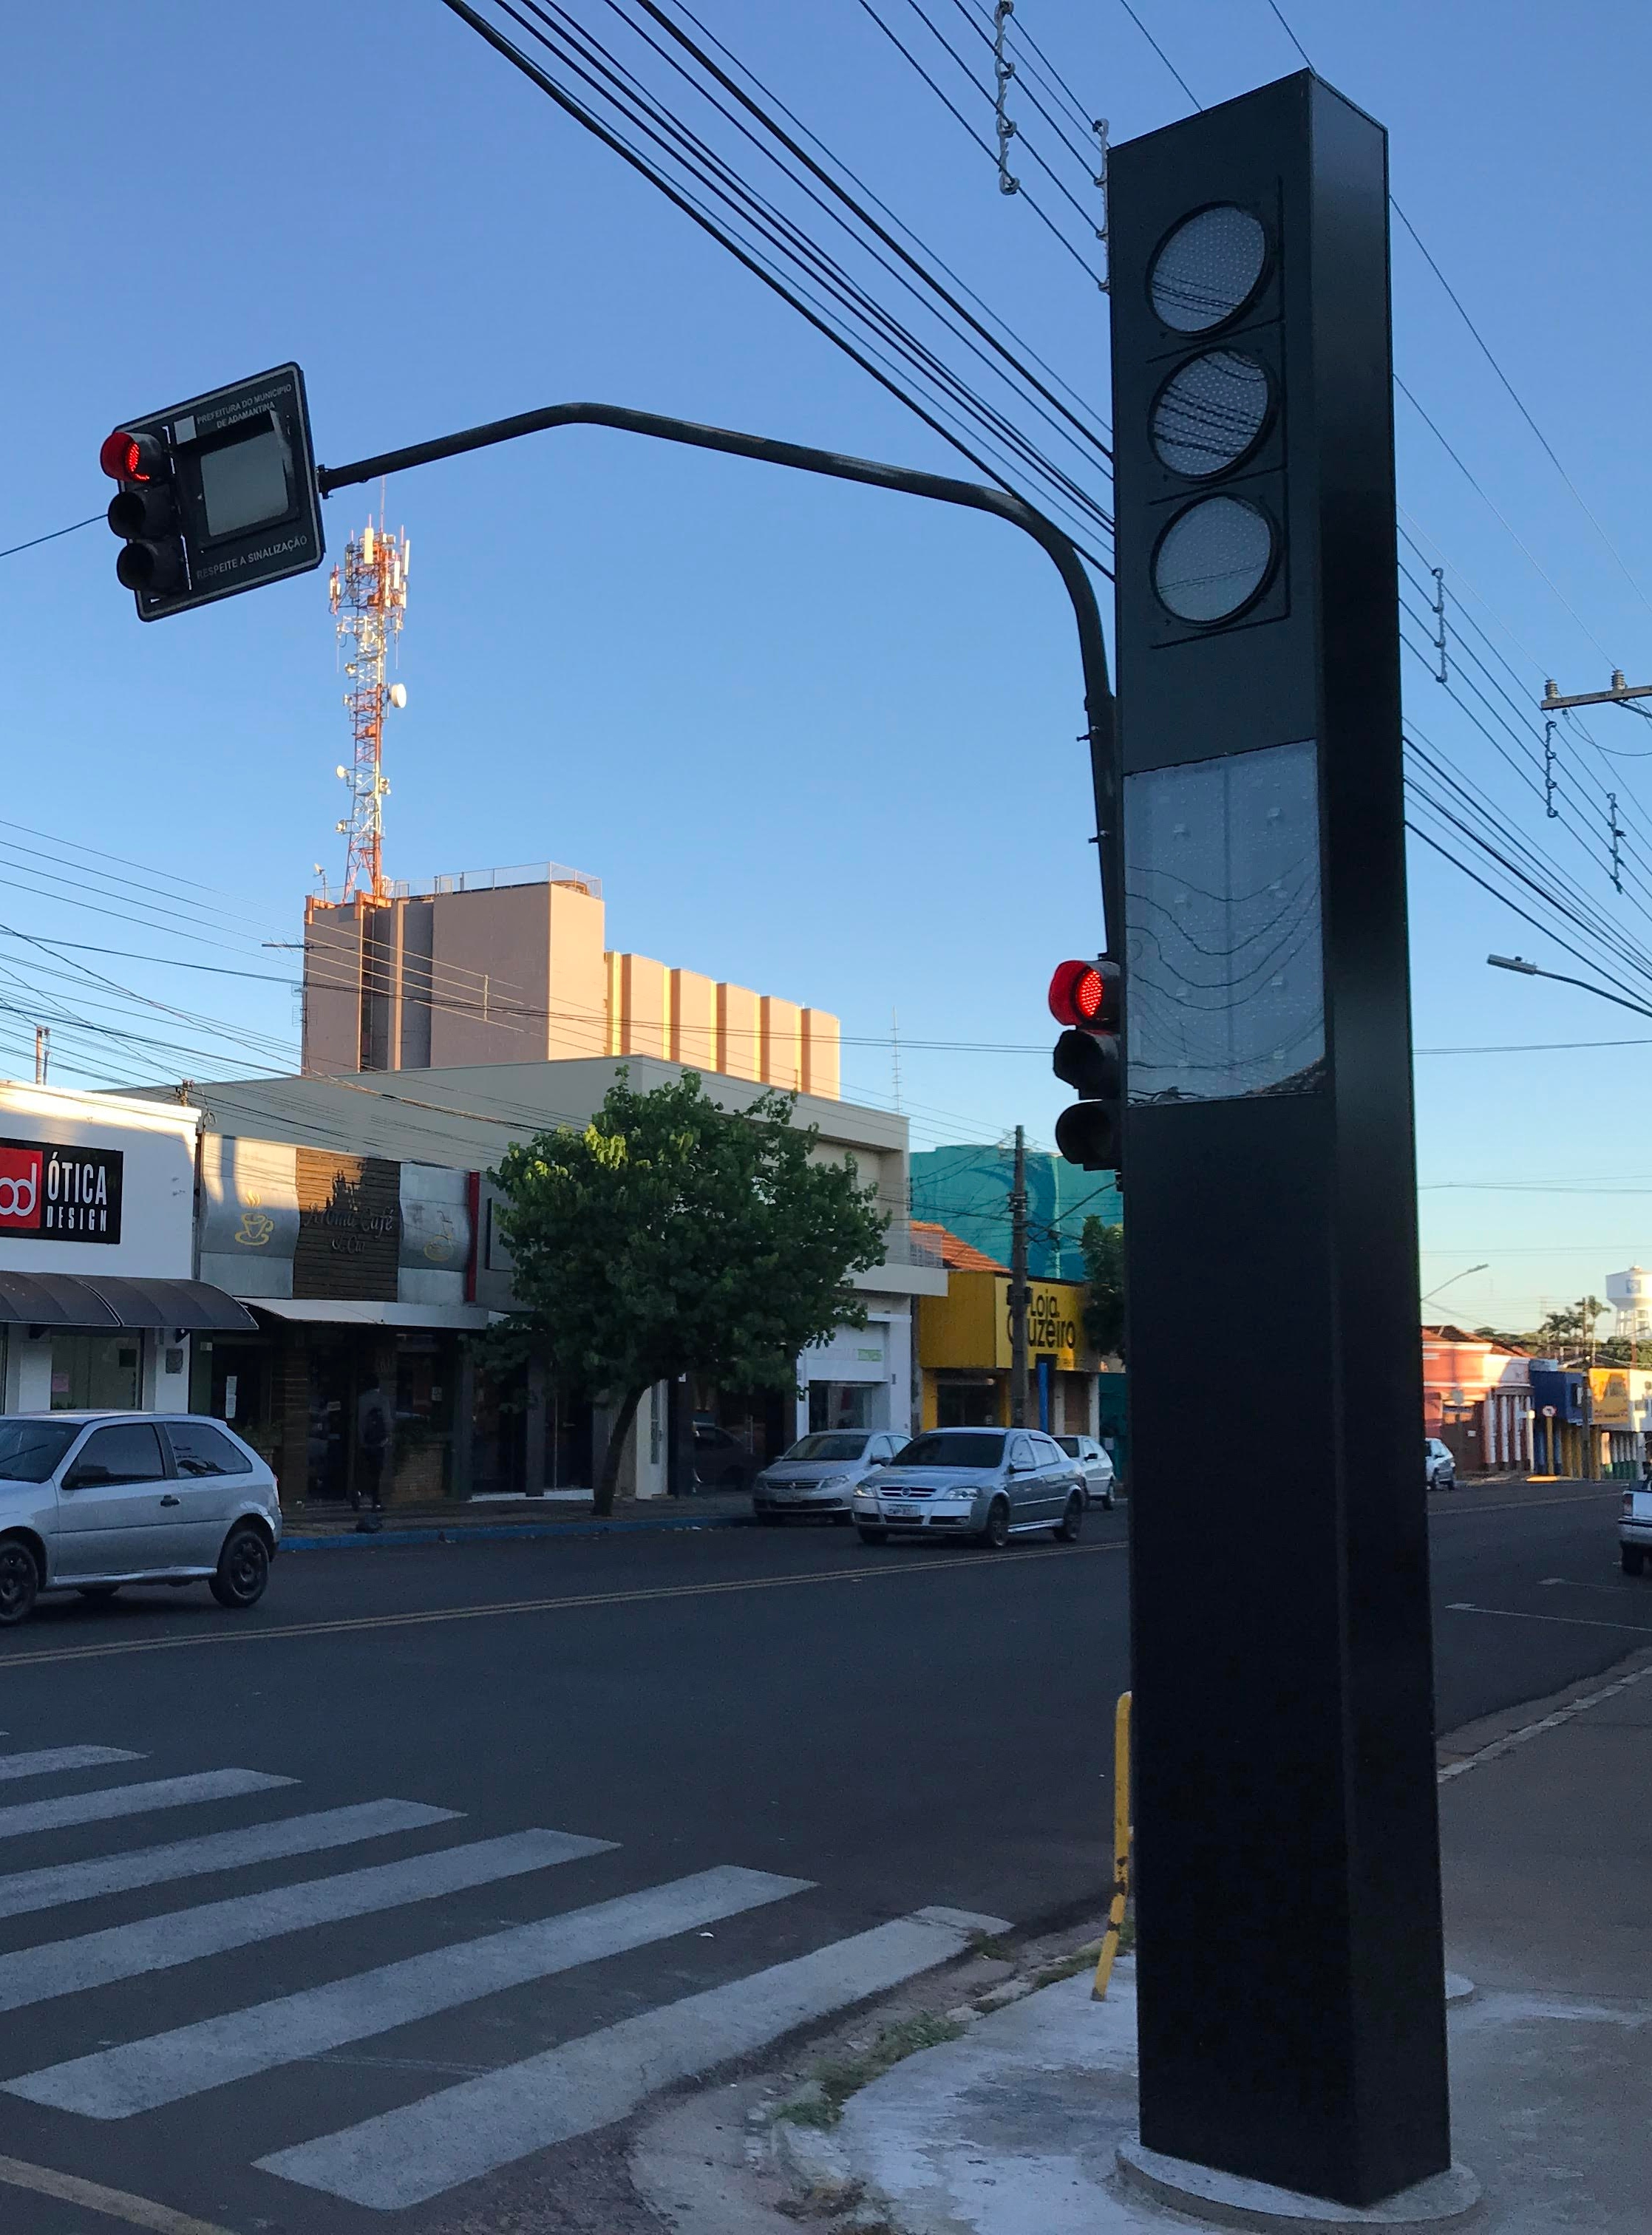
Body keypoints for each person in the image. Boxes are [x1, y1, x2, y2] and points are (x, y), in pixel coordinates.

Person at [355, 1377, 392, 1511]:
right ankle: (375, 1502)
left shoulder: (361, 1400)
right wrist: (387, 1438)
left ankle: (359, 1496)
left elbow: (359, 1423)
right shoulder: (383, 1400)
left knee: (363, 1470)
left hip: (365, 1442)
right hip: (378, 1443)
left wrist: (361, 1441)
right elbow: (388, 1421)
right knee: (376, 1473)